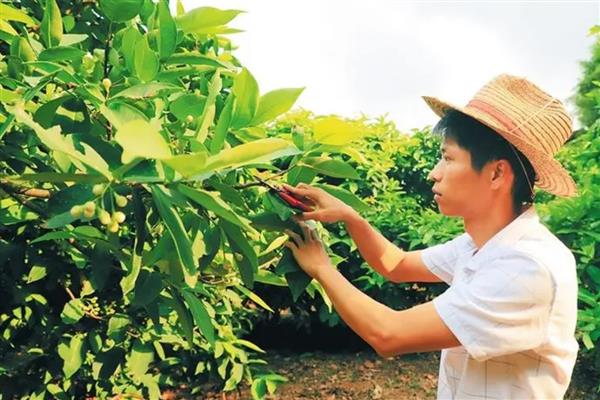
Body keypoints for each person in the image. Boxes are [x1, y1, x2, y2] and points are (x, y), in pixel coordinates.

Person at [282, 74, 579, 399]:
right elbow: (396, 265)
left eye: (448, 158)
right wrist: (350, 217)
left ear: (497, 173)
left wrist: (321, 268)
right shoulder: (482, 245)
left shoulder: (527, 267)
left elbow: (388, 335)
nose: (433, 172)